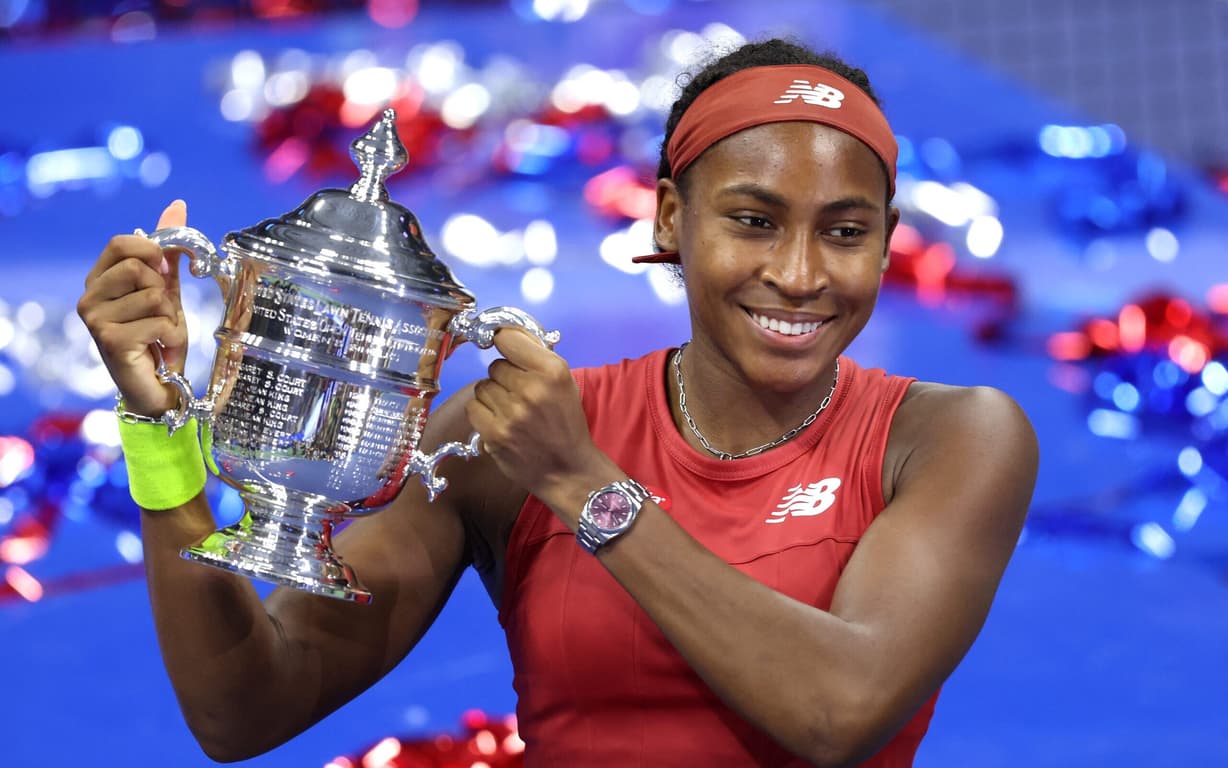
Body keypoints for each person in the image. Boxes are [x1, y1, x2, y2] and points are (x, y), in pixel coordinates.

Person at [77, 38, 1037, 767]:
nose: (798, 273)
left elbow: (841, 710)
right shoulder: (505, 447)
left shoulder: (953, 437)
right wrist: (162, 432)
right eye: (752, 221)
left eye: (844, 232)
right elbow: (243, 707)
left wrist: (586, 486)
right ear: (670, 218)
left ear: (887, 241)